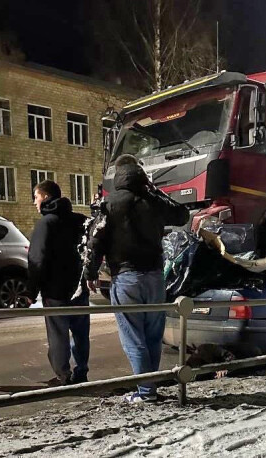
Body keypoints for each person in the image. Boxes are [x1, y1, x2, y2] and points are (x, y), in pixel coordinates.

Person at [85, 154, 189, 403]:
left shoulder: (110, 204)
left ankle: (146, 392)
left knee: (133, 337)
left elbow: (95, 241)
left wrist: (90, 273)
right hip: (154, 277)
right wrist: (156, 191)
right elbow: (182, 215)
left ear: (118, 174)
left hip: (125, 277)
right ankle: (148, 389)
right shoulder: (152, 200)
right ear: (140, 173)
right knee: (153, 336)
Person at [27, 180, 90, 386]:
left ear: (45, 197)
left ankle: (63, 375)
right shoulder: (78, 220)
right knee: (81, 334)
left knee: (58, 335)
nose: (34, 203)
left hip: (55, 291)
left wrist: (31, 290)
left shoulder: (46, 223)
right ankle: (82, 370)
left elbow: (37, 258)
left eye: (35, 197)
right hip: (79, 288)